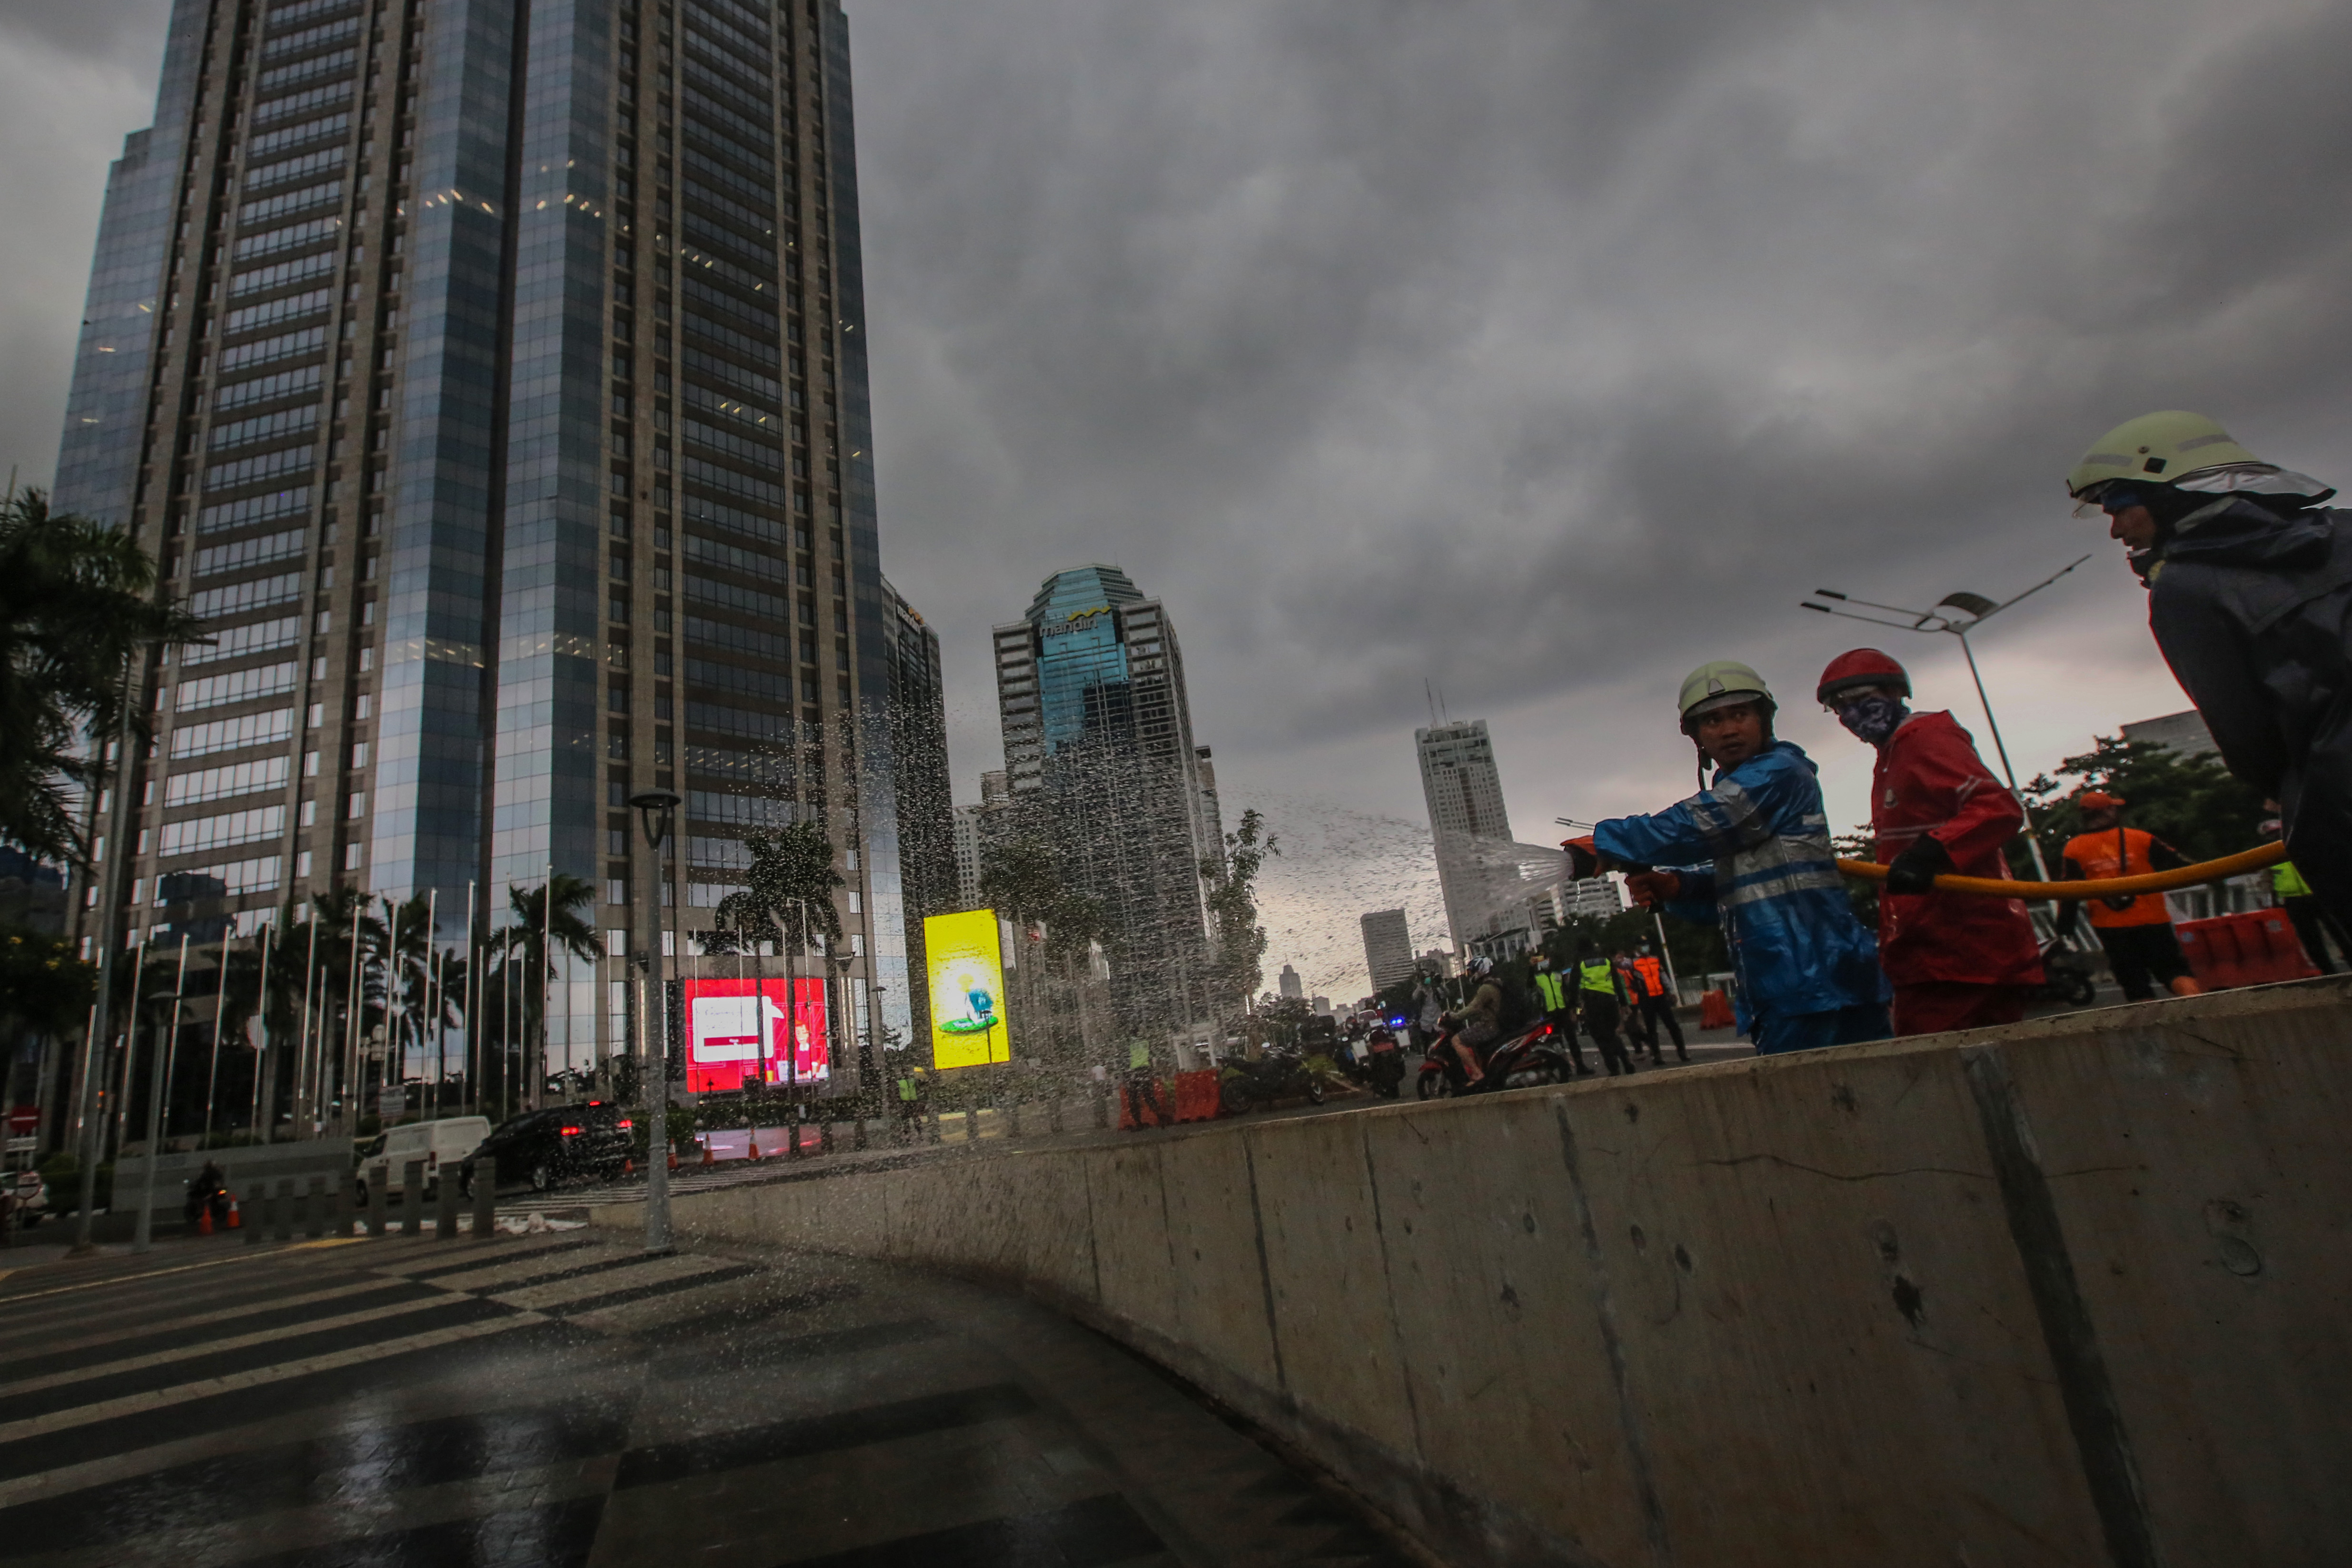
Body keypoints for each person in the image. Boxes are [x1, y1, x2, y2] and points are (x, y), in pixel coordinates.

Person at [2066, 411, 2352, 936]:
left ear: (2174, 493)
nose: (2114, 528)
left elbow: (2249, 743)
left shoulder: (2186, 590)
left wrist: (2305, 785)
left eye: (2120, 505)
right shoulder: (2347, 527)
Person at [1569, 660, 1890, 1055]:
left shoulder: (1779, 774)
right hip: (1789, 987)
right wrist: (1678, 887)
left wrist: (1609, 841)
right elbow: (1738, 893)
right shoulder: (1739, 792)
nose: (1728, 730)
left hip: (1817, 982)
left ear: (1763, 718)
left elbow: (1698, 824)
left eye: (1739, 714)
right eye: (1712, 721)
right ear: (1698, 737)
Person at [1816, 649, 2045, 1036]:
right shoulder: (1891, 755)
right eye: (1839, 707)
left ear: (1894, 692)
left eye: (1859, 700)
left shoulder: (1924, 739)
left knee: (1937, 1073)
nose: (1850, 715)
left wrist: (1932, 853)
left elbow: (1997, 807)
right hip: (1933, 949)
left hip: (1962, 950)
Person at [2058, 792, 2204, 1002]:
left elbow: (2069, 892)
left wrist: (2065, 929)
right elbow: (2182, 865)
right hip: (2153, 919)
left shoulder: (2074, 848)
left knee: (2134, 982)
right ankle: (2200, 1006)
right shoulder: (2140, 838)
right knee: (2173, 971)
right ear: (2108, 810)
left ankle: (2153, 1031)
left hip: (2111, 927)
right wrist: (2216, 876)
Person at [2264, 816, 2344, 975]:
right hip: (2294, 901)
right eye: (2271, 835)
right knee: (2311, 941)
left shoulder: (2303, 846)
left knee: (2340, 932)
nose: (2275, 837)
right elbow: (2268, 883)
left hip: (2317, 895)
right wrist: (2273, 904)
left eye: (2277, 833)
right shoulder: (2268, 856)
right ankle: (2329, 974)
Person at [1575, 940, 1634, 1075]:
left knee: (1600, 1037)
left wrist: (1575, 1009)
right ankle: (1625, 1059)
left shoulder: (1580, 963)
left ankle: (1614, 1068)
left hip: (1593, 1005)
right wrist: (1624, 1004)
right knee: (1611, 1033)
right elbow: (1617, 982)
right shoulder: (1606, 961)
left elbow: (1573, 988)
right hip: (1611, 1002)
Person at [1529, 953, 1590, 1074]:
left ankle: (1580, 1066)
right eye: (1540, 960)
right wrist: (1531, 968)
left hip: (1564, 1012)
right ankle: (1565, 1069)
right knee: (1556, 1043)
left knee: (1572, 1040)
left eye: (1545, 959)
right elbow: (1529, 985)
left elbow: (1567, 992)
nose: (1544, 962)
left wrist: (1573, 1009)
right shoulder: (1537, 977)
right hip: (1549, 1016)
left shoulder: (1558, 974)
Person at [1629, 942, 1687, 1061]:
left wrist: (1671, 991)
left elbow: (1663, 976)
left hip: (1660, 997)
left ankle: (1682, 1052)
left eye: (1647, 945)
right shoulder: (1633, 963)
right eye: (1642, 946)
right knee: (1651, 1028)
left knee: (1672, 1025)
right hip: (1646, 999)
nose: (1646, 948)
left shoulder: (1655, 960)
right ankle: (1657, 1056)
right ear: (1637, 949)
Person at [1451, 955, 1504, 1085]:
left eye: (1473, 971)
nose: (1472, 975)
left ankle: (1477, 1073)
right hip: (1499, 1024)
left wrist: (1455, 1016)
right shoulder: (1498, 983)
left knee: (1456, 1040)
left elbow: (1473, 1008)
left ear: (1481, 970)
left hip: (1490, 1027)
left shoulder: (1486, 988)